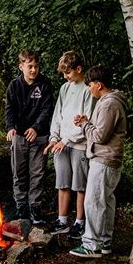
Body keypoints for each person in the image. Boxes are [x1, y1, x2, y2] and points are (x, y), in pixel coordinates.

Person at [69, 65, 127, 258]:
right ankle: (104, 242)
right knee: (106, 201)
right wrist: (88, 121)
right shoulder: (108, 102)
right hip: (108, 159)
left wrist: (85, 125)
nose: (89, 88)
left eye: (91, 85)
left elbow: (100, 135)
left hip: (104, 159)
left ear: (99, 85)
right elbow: (101, 127)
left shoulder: (109, 104)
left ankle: (91, 245)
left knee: (93, 201)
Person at [44, 51, 95, 239]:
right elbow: (58, 115)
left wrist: (66, 140)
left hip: (79, 144)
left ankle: (80, 222)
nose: (65, 76)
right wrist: (54, 138)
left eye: (68, 72)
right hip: (61, 144)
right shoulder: (65, 89)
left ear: (79, 69)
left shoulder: (88, 90)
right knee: (62, 183)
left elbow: (86, 121)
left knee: (80, 185)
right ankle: (62, 220)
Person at [5, 49, 54, 225]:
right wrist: (10, 127)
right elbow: (9, 109)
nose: (33, 70)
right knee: (19, 173)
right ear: (21, 66)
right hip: (19, 136)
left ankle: (35, 208)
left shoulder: (45, 84)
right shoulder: (14, 86)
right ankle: (21, 209)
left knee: (37, 174)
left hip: (39, 137)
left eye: (36, 66)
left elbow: (47, 110)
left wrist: (36, 127)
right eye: (30, 66)